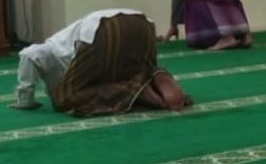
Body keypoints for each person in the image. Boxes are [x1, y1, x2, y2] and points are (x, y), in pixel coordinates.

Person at [11, 8, 191, 117]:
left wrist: (25, 100)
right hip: (142, 25)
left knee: (65, 98)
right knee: (121, 75)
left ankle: (138, 90)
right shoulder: (73, 59)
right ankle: (153, 76)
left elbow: (28, 55)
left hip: (102, 29)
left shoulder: (51, 48)